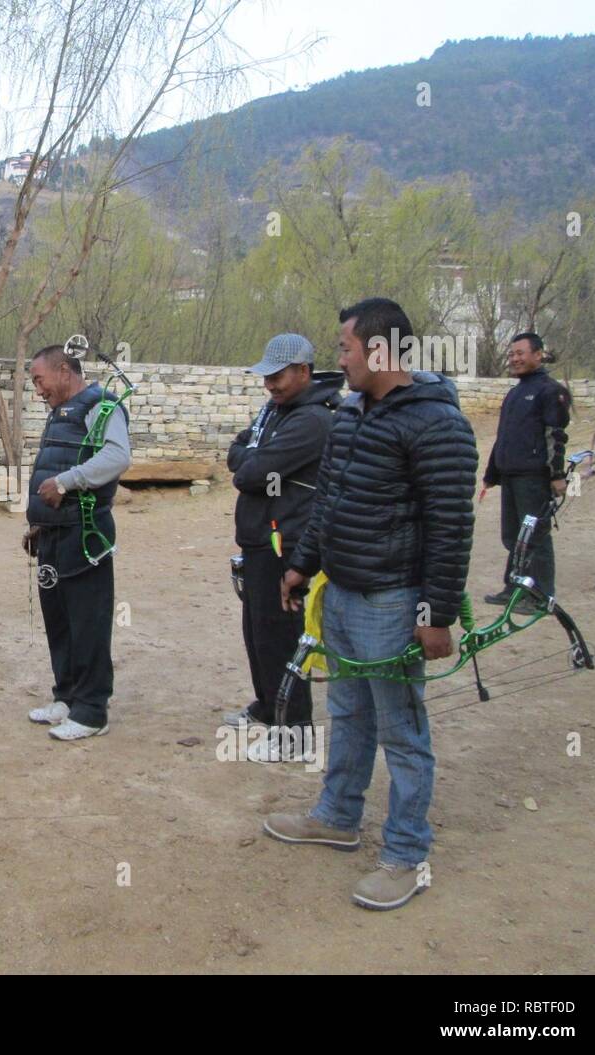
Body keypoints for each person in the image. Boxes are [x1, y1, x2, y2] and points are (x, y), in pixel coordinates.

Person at [266, 298, 478, 911]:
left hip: (394, 603)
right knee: (350, 715)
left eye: (345, 347)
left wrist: (436, 615)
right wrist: (302, 564)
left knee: (403, 732)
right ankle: (337, 816)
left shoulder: (437, 423)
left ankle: (407, 854)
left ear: (381, 350)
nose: (339, 358)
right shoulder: (351, 412)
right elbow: (328, 501)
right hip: (342, 595)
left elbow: (449, 526)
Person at [225, 333, 342, 761]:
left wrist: (248, 458)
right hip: (258, 536)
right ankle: (268, 707)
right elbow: (239, 450)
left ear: (304, 371)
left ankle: (294, 733)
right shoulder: (276, 410)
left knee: (280, 635)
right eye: (266, 377)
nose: (270, 384)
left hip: (285, 539)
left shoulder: (314, 420)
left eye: (277, 376)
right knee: (257, 632)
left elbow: (251, 471)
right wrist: (248, 456)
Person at [23, 344, 132, 741]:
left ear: (65, 370)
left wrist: (68, 483)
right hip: (52, 536)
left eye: (40, 380)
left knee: (88, 621)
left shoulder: (101, 406)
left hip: (85, 536)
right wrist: (37, 523)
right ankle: (66, 697)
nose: (38, 390)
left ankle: (92, 711)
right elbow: (50, 466)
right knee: (60, 620)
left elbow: (117, 457)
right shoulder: (59, 413)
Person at [480, 331, 571, 612]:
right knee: (514, 537)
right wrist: (492, 474)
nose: (515, 359)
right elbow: (504, 436)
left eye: (520, 353)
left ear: (538, 354)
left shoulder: (550, 391)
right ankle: (515, 588)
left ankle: (541, 596)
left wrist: (556, 475)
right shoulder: (515, 393)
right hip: (511, 476)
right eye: (511, 354)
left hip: (534, 478)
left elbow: (555, 435)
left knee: (536, 536)